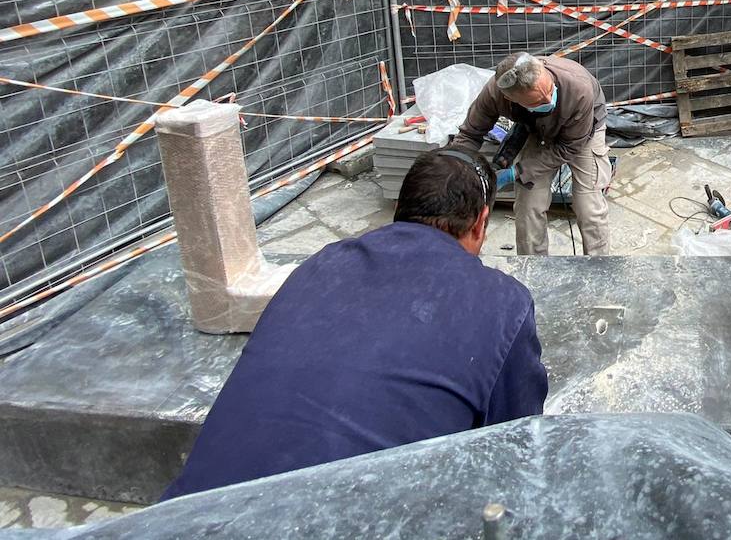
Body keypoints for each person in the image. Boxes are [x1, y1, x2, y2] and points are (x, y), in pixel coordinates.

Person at [160, 150, 546, 500]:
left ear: (399, 206)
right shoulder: (501, 302)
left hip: (184, 516)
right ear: (481, 222)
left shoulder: (320, 265)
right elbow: (513, 450)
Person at [451, 52, 612, 256]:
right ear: (510, 99)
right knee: (528, 207)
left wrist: (516, 172)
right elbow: (470, 134)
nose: (548, 100)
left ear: (543, 70)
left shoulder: (578, 88)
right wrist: (453, 170)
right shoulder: (494, 93)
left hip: (582, 132)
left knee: (588, 206)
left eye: (549, 90)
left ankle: (602, 269)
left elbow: (569, 148)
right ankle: (533, 267)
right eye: (538, 101)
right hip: (537, 129)